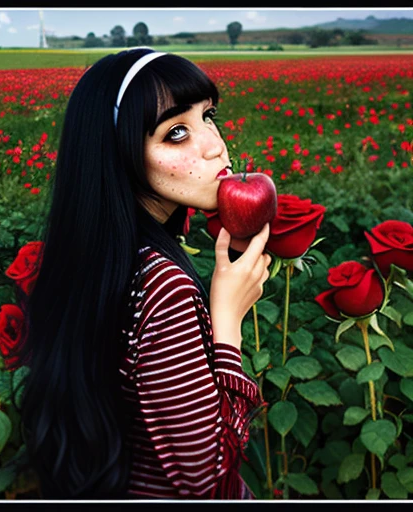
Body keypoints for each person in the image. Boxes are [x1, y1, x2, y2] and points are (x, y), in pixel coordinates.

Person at [14, 47, 272, 500]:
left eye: (208, 116)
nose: (214, 144)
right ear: (122, 156)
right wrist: (228, 320)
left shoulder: (105, 256)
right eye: (176, 133)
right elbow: (205, 478)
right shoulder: (163, 286)